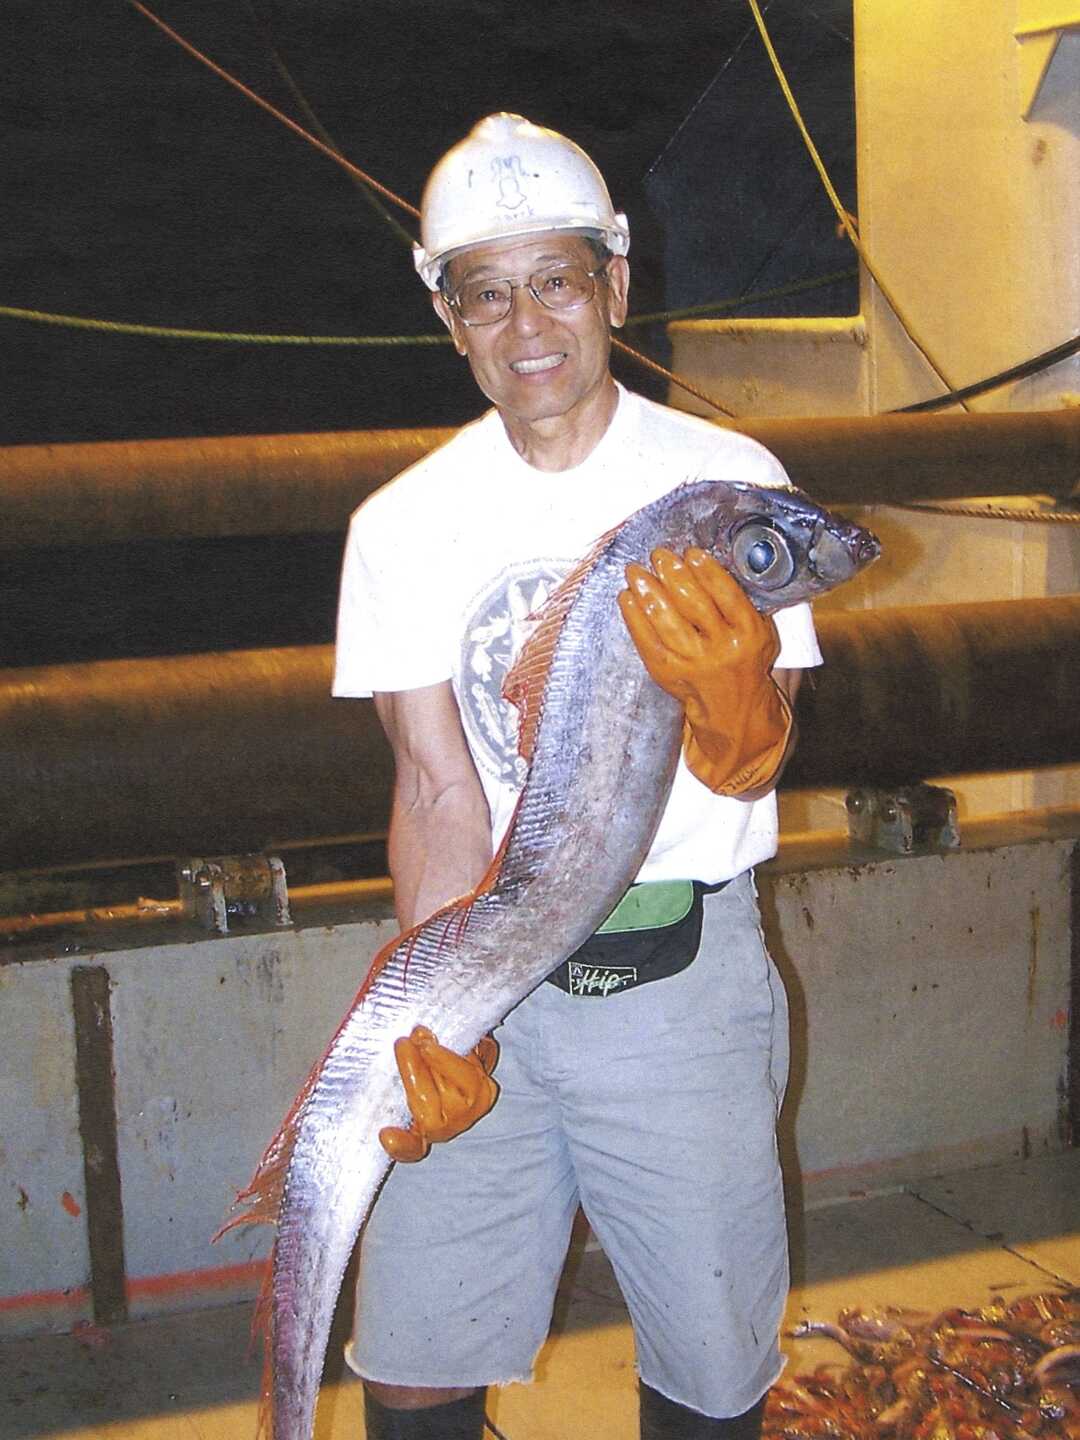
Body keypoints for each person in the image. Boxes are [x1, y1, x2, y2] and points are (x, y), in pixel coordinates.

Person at [332, 113, 822, 1440]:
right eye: (486, 292)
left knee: (712, 1372)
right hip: (491, 977)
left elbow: (762, 741)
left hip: (680, 990)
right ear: (448, 314)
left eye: (554, 279)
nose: (526, 324)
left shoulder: (725, 480)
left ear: (614, 282)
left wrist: (733, 715)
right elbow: (435, 794)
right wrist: (434, 1011)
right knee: (414, 1359)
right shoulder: (400, 525)